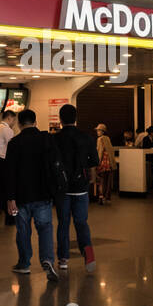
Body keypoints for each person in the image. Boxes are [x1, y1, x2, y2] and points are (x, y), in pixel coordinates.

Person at [5, 108, 59, 283]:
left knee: (23, 230)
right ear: (36, 122)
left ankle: (24, 263)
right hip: (43, 194)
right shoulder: (46, 139)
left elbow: (10, 173)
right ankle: (47, 260)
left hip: (21, 196)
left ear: (19, 124)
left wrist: (10, 198)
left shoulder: (14, 143)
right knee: (45, 228)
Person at [53, 104, 99, 273]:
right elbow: (93, 161)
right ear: (76, 118)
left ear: (60, 119)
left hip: (62, 188)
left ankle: (63, 259)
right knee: (81, 222)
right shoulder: (86, 138)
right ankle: (88, 254)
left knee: (63, 223)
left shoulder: (55, 139)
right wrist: (92, 179)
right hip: (81, 186)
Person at [94, 123, 115, 205]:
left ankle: (101, 197)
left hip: (103, 162)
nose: (97, 132)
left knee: (101, 180)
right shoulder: (107, 138)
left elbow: (100, 151)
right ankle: (107, 197)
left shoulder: (100, 139)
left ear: (102, 131)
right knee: (108, 181)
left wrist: (97, 163)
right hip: (109, 163)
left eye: (98, 130)